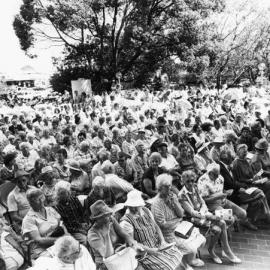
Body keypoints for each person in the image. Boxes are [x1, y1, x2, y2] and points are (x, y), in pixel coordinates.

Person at [178, 170, 241, 264]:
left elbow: (202, 202)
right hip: (193, 219)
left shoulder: (195, 187)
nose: (191, 183)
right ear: (183, 181)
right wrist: (209, 216)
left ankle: (218, 250)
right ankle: (220, 251)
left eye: (192, 180)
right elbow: (192, 212)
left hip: (204, 214)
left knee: (224, 221)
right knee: (219, 226)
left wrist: (205, 211)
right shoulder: (181, 195)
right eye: (188, 181)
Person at [151, 174, 205, 269]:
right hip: (168, 233)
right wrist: (177, 220)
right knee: (191, 248)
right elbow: (162, 225)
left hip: (180, 228)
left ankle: (188, 259)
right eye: (166, 186)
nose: (170, 188)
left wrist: (174, 202)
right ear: (160, 187)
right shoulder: (157, 204)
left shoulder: (173, 197)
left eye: (170, 185)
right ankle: (186, 262)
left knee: (202, 239)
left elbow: (181, 214)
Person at [120, 190, 183, 270]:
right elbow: (132, 244)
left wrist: (162, 241)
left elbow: (156, 226)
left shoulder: (146, 210)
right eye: (132, 207)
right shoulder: (126, 222)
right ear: (128, 206)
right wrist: (150, 250)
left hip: (157, 244)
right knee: (167, 266)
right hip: (144, 252)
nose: (135, 209)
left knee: (177, 254)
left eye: (137, 206)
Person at [88, 200, 135, 270]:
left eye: (110, 214)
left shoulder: (111, 220)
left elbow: (122, 232)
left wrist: (129, 239)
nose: (110, 216)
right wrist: (106, 234)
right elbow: (108, 255)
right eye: (106, 215)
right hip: (106, 264)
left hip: (119, 254)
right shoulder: (92, 234)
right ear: (98, 219)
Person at [22, 188, 66, 260]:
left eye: (41, 198)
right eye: (36, 200)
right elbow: (39, 241)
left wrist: (66, 235)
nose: (41, 201)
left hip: (58, 243)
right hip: (42, 249)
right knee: (60, 261)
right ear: (30, 203)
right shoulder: (28, 219)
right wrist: (60, 239)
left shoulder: (50, 210)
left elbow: (61, 223)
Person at [32, 235, 96, 270]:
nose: (81, 249)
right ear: (67, 258)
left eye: (79, 244)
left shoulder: (81, 248)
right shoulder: (51, 265)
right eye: (78, 251)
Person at [54, 181, 89, 245]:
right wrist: (80, 230)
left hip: (81, 226)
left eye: (68, 191)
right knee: (86, 241)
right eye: (65, 193)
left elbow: (82, 213)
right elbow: (64, 226)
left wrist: (84, 223)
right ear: (59, 194)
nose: (69, 194)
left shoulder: (74, 199)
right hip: (71, 231)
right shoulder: (56, 207)